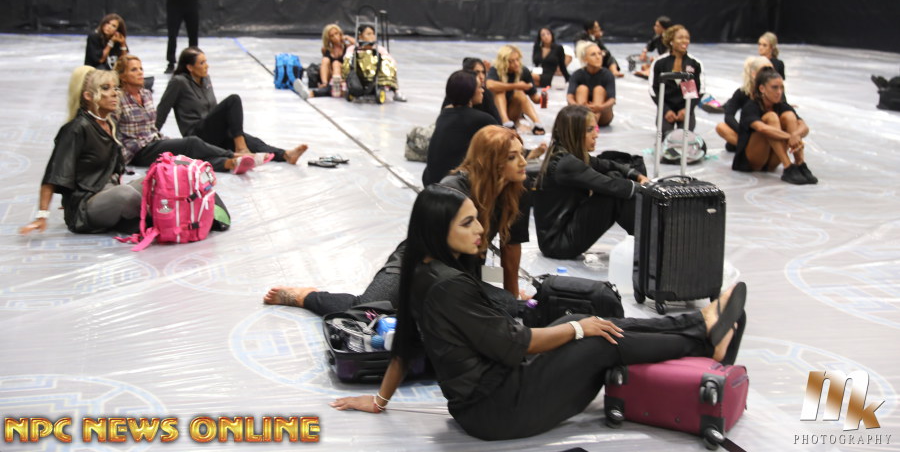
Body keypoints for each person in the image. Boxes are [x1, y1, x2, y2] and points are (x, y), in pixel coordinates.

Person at [331, 185, 748, 441]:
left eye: (477, 219)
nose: (480, 229)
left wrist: (380, 400)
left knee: (582, 325)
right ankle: (700, 335)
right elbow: (516, 345)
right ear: (439, 229)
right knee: (595, 339)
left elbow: (403, 347)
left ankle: (698, 325)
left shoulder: (422, 269)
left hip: (491, 397)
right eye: (468, 223)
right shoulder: (448, 285)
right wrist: (580, 331)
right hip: (499, 409)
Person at [264, 124, 532, 315]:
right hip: (418, 266)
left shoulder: (515, 191)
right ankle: (305, 296)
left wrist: (512, 295)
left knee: (508, 306)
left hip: (462, 274)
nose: (523, 162)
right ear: (491, 161)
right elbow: (431, 252)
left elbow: (511, 247)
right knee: (369, 311)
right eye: (513, 157)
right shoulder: (453, 191)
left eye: (522, 153)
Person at [20, 69, 144, 235]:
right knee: (126, 194)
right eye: (105, 88)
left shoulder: (110, 124)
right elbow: (53, 175)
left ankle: (147, 219)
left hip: (108, 192)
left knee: (151, 181)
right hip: (84, 207)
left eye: (115, 88)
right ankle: (152, 219)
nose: (115, 93)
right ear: (88, 96)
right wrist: (42, 216)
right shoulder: (76, 129)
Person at [533, 105, 648, 260]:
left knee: (616, 178)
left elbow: (607, 164)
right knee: (615, 193)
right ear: (574, 132)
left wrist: (636, 175)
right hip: (557, 244)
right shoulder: (566, 163)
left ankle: (646, 240)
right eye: (589, 130)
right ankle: (648, 242)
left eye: (596, 128)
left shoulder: (567, 153)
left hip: (560, 234)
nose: (596, 135)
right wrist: (646, 189)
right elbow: (610, 185)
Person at [156, 47, 308, 164]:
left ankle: (285, 154)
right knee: (233, 100)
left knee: (248, 139)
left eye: (206, 61)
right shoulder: (178, 82)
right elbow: (162, 110)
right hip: (196, 133)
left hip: (213, 131)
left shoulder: (206, 79)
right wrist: (152, 139)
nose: (207, 66)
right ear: (190, 67)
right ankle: (241, 147)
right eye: (202, 63)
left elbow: (212, 110)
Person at [115, 54, 259, 174]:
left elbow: (151, 127)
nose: (140, 72)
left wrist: (164, 140)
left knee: (184, 160)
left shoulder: (146, 94)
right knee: (191, 143)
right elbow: (112, 131)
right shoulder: (118, 99)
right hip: (137, 150)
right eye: (134, 70)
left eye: (141, 68)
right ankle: (233, 155)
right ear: (122, 76)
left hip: (154, 141)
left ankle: (228, 163)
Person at [732, 66, 817, 185]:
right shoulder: (751, 106)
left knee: (789, 116)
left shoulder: (782, 105)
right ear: (762, 88)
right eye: (774, 87)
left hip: (771, 163)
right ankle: (787, 166)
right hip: (751, 162)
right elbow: (762, 128)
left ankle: (800, 164)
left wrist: (796, 135)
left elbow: (804, 127)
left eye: (781, 87)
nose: (779, 92)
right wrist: (790, 137)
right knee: (771, 117)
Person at [423, 71, 498, 186]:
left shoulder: (445, 113)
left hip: (431, 181)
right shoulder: (482, 119)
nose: (483, 90)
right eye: (479, 87)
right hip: (455, 184)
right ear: (470, 92)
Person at [648, 24, 703, 136]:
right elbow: (654, 90)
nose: (685, 41)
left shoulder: (694, 63)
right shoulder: (659, 62)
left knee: (685, 136)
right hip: (666, 107)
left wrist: (686, 109)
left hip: (686, 107)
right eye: (680, 38)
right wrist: (666, 110)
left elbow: (699, 90)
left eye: (687, 38)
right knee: (666, 135)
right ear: (671, 41)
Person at [715, 56, 773, 151]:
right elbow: (729, 115)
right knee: (721, 127)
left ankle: (751, 147)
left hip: (766, 130)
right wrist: (742, 131)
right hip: (749, 130)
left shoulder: (775, 90)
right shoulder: (742, 92)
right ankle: (750, 146)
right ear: (754, 74)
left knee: (772, 117)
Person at [485, 45, 545, 134]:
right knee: (500, 91)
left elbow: (534, 98)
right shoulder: (496, 69)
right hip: (497, 113)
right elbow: (490, 85)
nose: (516, 63)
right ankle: (505, 122)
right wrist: (516, 86)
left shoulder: (523, 71)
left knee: (519, 93)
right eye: (511, 61)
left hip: (513, 112)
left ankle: (537, 123)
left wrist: (542, 98)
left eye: (517, 59)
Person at [566, 43, 617, 126]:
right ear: (585, 59)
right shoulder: (577, 74)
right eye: (593, 54)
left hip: (602, 114)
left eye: (600, 54)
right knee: (582, 88)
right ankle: (582, 121)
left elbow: (612, 100)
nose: (598, 57)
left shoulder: (608, 75)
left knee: (599, 89)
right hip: (582, 110)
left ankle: (591, 124)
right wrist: (579, 107)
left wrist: (600, 107)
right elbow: (569, 97)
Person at [315, 23, 356, 96]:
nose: (335, 37)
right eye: (332, 36)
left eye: (336, 33)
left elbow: (359, 45)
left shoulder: (346, 46)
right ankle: (325, 84)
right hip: (331, 73)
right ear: (328, 38)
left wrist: (347, 38)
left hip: (342, 73)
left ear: (340, 33)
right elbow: (325, 65)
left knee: (336, 63)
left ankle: (337, 85)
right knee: (325, 60)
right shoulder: (325, 49)